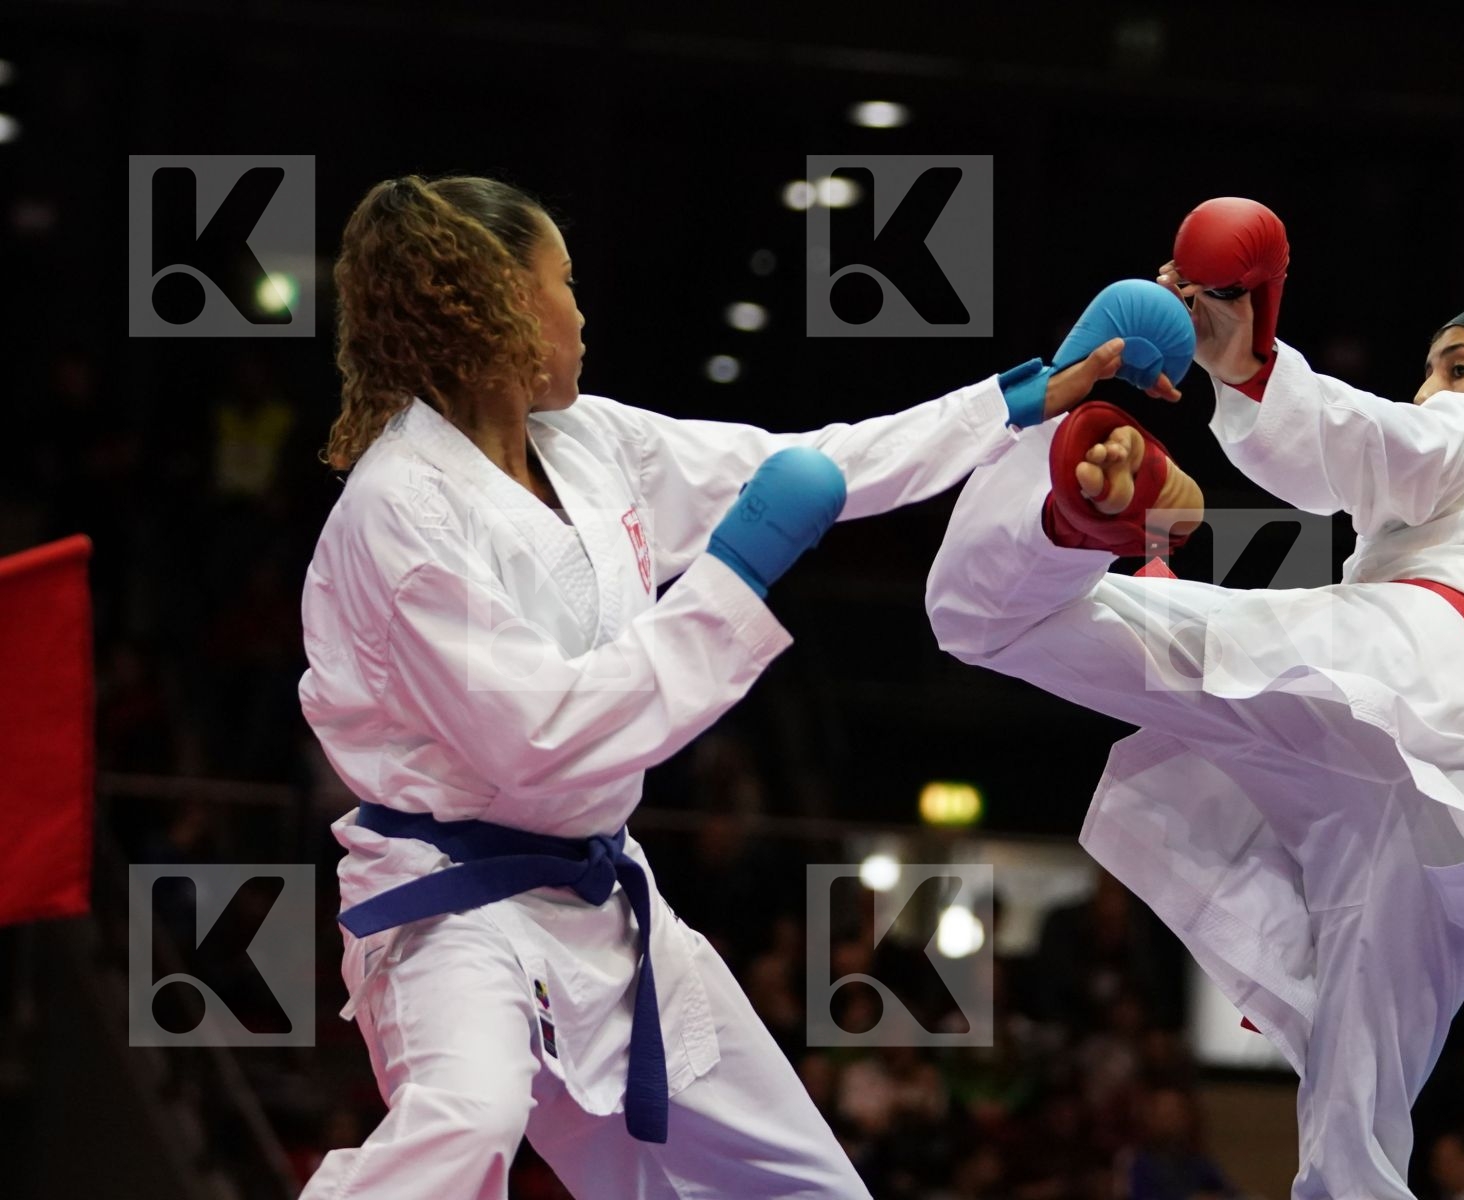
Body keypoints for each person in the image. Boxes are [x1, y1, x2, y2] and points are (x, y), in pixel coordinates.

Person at [296, 173, 1178, 1200]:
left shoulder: (590, 447)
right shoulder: (400, 512)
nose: (582, 310)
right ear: (496, 308)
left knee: (807, 1185)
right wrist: (732, 579)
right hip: (451, 912)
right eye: (564, 283)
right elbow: (540, 741)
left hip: (603, 896)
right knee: (469, 1121)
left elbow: (809, 465)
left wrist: (1022, 398)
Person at [923, 200, 1464, 1199]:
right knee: (1357, 1134)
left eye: (1458, 363)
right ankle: (1085, 526)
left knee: (995, 622)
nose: (1435, 385)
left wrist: (1249, 358)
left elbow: (1364, 441)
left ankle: (1063, 508)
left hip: (1390, 673)